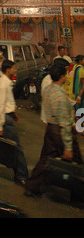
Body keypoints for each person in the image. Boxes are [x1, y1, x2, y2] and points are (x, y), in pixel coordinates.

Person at [25, 64, 83, 197]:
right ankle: (78, 194)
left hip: (51, 128)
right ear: (62, 77)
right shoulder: (60, 97)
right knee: (77, 164)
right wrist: (68, 146)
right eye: (66, 74)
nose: (68, 76)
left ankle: (32, 186)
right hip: (59, 130)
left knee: (45, 160)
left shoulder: (49, 89)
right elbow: (64, 124)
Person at [0, 59, 29, 186]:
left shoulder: (5, 82)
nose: (16, 70)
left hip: (6, 117)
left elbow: (6, 102)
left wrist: (13, 113)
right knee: (16, 148)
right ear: (8, 70)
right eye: (14, 68)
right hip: (4, 119)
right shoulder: (3, 84)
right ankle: (21, 175)